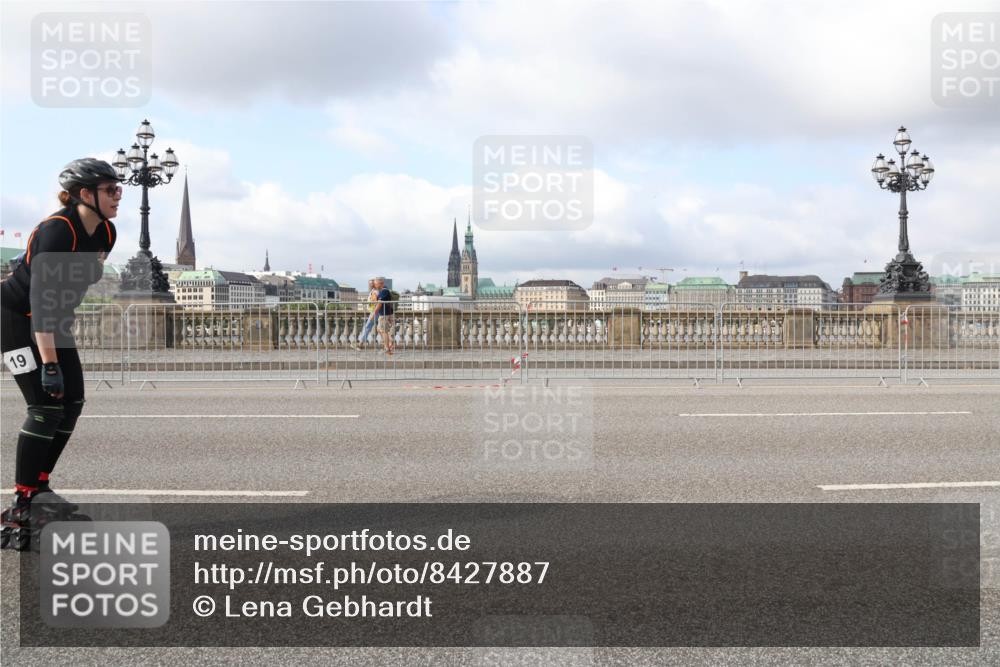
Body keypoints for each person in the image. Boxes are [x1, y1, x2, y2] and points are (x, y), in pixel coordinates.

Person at [0, 158, 120, 550]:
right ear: (85, 195)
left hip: (56, 323)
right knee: (46, 407)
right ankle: (21, 506)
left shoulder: (106, 232)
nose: (118, 195)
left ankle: (40, 490)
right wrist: (50, 364)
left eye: (119, 188)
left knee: (73, 403)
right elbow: (42, 301)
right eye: (110, 189)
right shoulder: (57, 231)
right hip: (18, 319)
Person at [351, 278, 378, 350]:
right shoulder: (373, 291)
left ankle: (360, 345)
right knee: (381, 329)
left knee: (367, 327)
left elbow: (376, 303)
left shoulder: (374, 292)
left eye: (371, 283)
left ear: (374, 284)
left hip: (374, 312)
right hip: (374, 312)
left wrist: (373, 313)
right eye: (369, 283)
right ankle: (388, 346)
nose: (369, 285)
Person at [373, 276, 395, 355]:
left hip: (384, 314)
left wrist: (374, 313)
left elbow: (379, 304)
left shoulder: (384, 291)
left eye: (376, 284)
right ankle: (389, 344)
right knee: (380, 329)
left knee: (383, 330)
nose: (375, 285)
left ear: (380, 283)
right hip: (385, 314)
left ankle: (387, 348)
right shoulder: (383, 291)